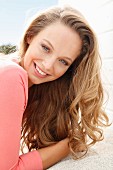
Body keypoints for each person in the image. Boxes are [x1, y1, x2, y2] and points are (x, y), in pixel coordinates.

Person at [0, 5, 109, 170]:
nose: (48, 65)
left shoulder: (30, 86)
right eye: (45, 48)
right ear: (30, 36)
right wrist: (68, 145)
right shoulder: (12, 75)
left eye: (63, 61)